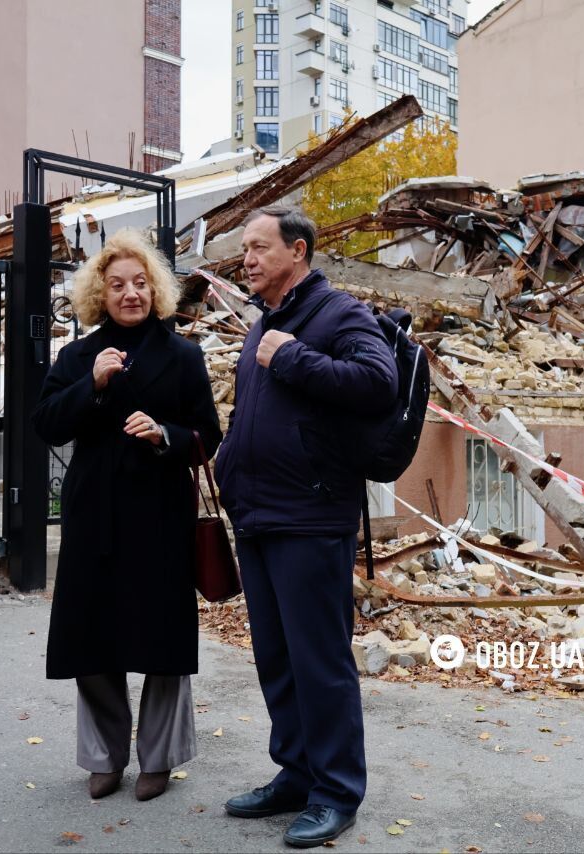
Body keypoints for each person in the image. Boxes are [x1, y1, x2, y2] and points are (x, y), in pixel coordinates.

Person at [213, 207, 397, 848]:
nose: (248, 258)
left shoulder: (338, 313)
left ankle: (336, 792)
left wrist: (292, 358)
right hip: (260, 514)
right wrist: (226, 464)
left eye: (260, 247)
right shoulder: (264, 322)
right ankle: (295, 775)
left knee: (320, 662)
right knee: (278, 659)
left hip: (312, 515)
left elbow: (379, 382)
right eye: (245, 249)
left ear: (298, 251)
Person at [32, 227, 222, 803]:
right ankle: (105, 757)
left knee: (161, 640)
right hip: (93, 516)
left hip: (159, 516)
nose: (130, 294)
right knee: (91, 638)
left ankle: (159, 758)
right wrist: (90, 386)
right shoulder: (77, 356)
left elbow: (207, 437)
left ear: (156, 290)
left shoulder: (184, 357)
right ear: (101, 294)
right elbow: (46, 424)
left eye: (140, 283)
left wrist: (166, 433)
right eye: (117, 285)